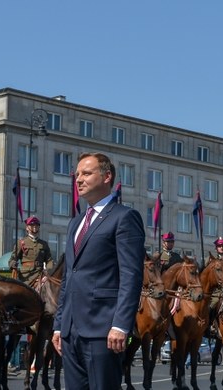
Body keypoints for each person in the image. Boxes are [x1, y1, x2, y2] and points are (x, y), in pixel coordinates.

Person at [51, 152, 144, 390]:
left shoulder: (124, 217)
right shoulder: (76, 222)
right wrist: (60, 325)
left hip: (103, 331)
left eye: (86, 173)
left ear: (106, 176)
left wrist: (121, 325)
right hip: (71, 333)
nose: (79, 179)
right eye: (77, 174)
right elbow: (69, 277)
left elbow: (131, 276)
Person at [10, 216, 53, 285]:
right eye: (32, 225)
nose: (35, 227)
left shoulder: (44, 244)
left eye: (36, 225)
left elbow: (49, 260)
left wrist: (47, 272)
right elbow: (12, 259)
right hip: (25, 276)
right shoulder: (21, 242)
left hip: (40, 275)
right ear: (27, 227)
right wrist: (13, 264)